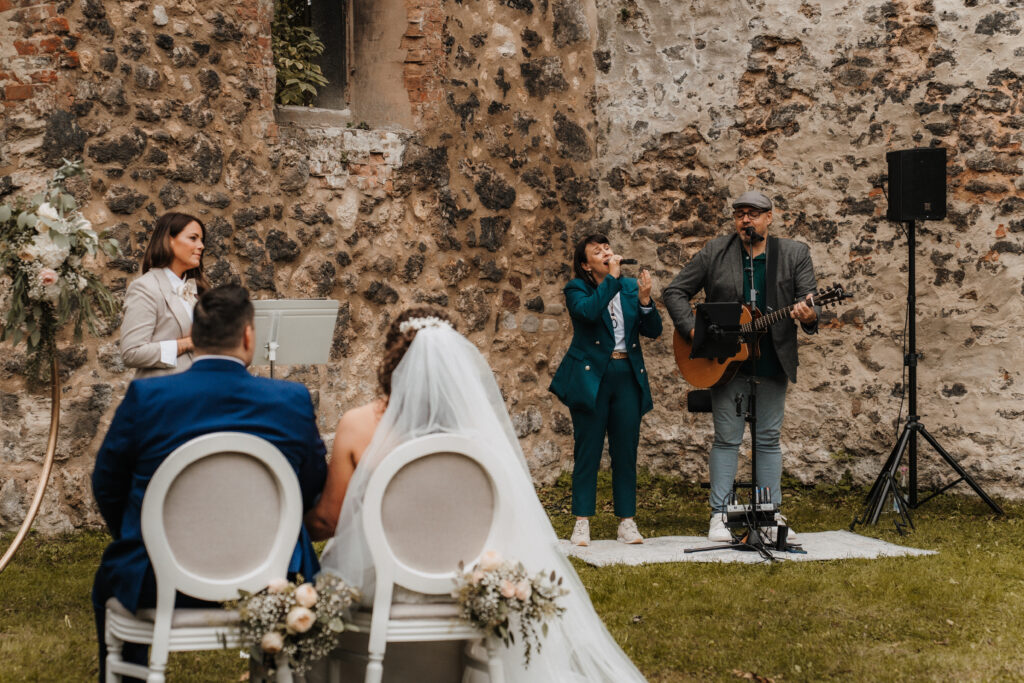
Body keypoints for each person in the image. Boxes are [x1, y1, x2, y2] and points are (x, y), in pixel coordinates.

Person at [314, 306, 648, 683]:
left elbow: (330, 519)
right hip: (468, 584)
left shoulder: (358, 426)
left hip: (383, 583)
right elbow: (508, 517)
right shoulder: (480, 436)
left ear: (392, 360)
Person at [91, 285, 328, 680]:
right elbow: (309, 486)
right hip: (269, 581)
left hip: (156, 579)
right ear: (249, 336)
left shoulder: (147, 396)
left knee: (112, 578)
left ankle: (129, 675)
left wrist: (147, 536)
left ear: (194, 337)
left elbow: (107, 484)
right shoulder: (291, 400)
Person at [662, 190, 819, 542]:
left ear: (770, 217)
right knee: (727, 439)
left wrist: (810, 313)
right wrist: (694, 332)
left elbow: (810, 301)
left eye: (753, 213)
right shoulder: (716, 251)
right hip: (724, 362)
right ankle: (719, 515)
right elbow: (674, 292)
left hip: (772, 361)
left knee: (767, 440)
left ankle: (768, 514)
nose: (745, 219)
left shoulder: (794, 254)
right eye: (739, 214)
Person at [548, 235, 663, 547]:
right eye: (597, 252)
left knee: (625, 450)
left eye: (607, 248)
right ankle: (582, 521)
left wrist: (645, 301)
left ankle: (627, 521)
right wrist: (612, 278)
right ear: (586, 265)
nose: (606, 253)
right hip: (591, 378)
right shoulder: (577, 289)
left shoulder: (628, 288)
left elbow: (654, 331)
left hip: (627, 374)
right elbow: (588, 313)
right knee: (589, 449)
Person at [119, 212, 210, 378]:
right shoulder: (145, 288)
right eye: (193, 238)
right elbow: (132, 353)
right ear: (170, 240)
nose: (201, 246)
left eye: (202, 240)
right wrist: (187, 344)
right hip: (166, 393)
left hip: (201, 391)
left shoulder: (197, 289)